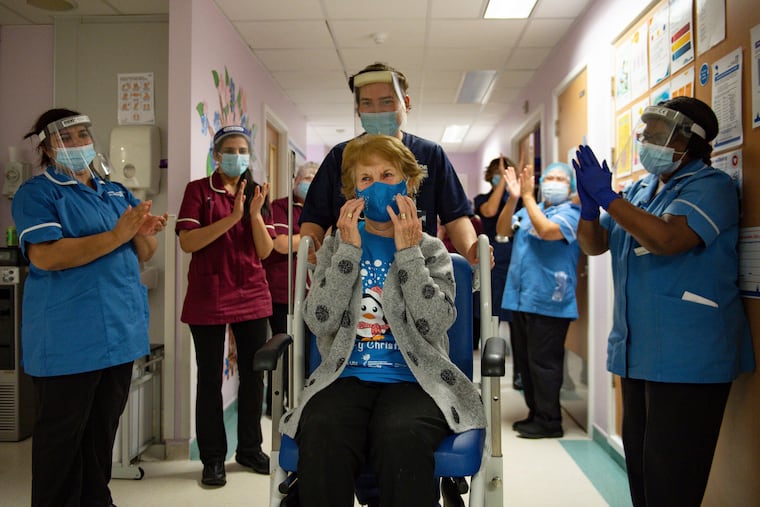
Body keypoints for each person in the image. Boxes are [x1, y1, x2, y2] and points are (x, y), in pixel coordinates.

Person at [280, 134, 486, 507]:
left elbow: (435, 323)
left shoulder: (431, 249)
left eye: (388, 174)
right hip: (345, 375)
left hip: (415, 378)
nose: (377, 186)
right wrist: (346, 253)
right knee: (323, 429)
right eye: (365, 179)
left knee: (401, 434)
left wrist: (408, 254)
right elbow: (320, 321)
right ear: (352, 192)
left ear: (408, 183)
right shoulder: (335, 245)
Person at [573, 97, 754, 507]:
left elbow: (667, 239)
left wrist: (610, 200)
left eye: (655, 132)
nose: (644, 139)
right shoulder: (640, 189)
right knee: (641, 468)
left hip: (689, 358)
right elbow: (595, 245)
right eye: (645, 131)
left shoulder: (711, 186)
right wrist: (589, 208)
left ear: (687, 142)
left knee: (673, 479)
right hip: (639, 354)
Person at [11, 108, 167, 507]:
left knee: (101, 437)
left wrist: (142, 232)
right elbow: (46, 256)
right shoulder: (39, 193)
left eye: (85, 134)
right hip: (68, 342)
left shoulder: (114, 191)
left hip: (118, 335)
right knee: (61, 444)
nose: (81, 143)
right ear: (47, 147)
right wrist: (119, 233)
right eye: (71, 137)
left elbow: (144, 250)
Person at [299, 62, 485, 267]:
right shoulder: (341, 156)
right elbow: (315, 217)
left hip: (416, 267)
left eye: (386, 102)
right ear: (358, 110)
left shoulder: (430, 154)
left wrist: (471, 250)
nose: (377, 111)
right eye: (368, 103)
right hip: (352, 271)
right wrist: (310, 246)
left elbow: (456, 217)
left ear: (405, 102)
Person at [176, 125, 274, 486]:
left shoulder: (255, 193)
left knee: (253, 376)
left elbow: (264, 251)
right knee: (209, 380)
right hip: (209, 295)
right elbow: (188, 242)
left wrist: (253, 214)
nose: (237, 156)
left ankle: (249, 448)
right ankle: (213, 458)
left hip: (250, 292)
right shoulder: (198, 191)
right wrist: (231, 218)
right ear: (216, 156)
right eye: (230, 150)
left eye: (242, 150)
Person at [496, 162, 580, 439]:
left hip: (550, 300)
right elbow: (503, 230)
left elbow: (546, 232)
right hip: (522, 299)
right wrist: (514, 198)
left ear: (571, 187)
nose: (553, 182)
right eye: (550, 177)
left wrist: (529, 197)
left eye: (561, 178)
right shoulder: (532, 209)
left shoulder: (571, 213)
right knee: (526, 362)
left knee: (544, 363)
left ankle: (550, 421)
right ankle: (535, 413)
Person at [263, 160, 319, 415]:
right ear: (295, 180)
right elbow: (280, 245)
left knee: (309, 351)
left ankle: (306, 403)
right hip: (282, 293)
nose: (308, 182)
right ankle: (278, 405)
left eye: (314, 178)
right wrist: (313, 238)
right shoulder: (279, 208)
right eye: (305, 177)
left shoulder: (322, 209)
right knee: (283, 351)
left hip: (316, 294)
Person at [474, 155, 519, 382]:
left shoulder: (518, 200)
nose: (499, 178)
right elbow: (490, 212)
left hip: (516, 261)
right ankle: (489, 371)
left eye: (504, 173)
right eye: (496, 175)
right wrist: (503, 182)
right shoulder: (482, 199)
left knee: (518, 320)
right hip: (493, 262)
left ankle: (520, 374)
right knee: (491, 315)